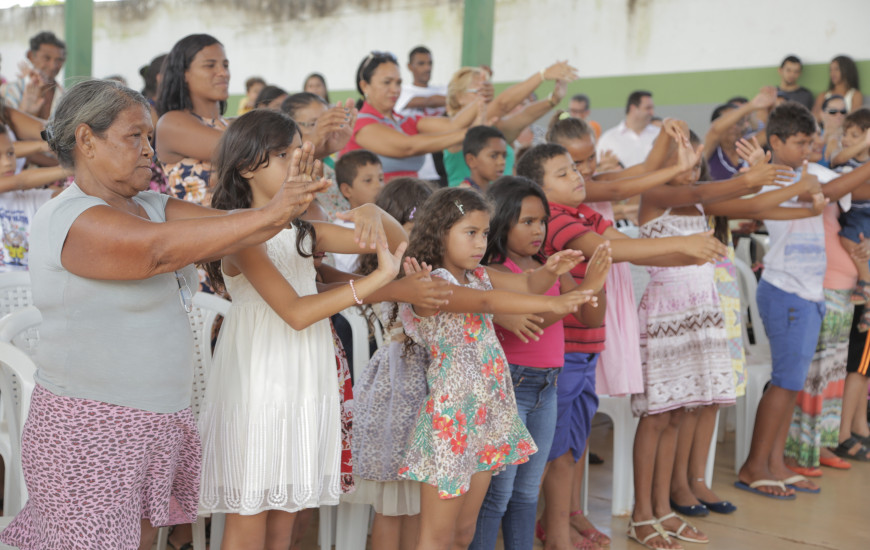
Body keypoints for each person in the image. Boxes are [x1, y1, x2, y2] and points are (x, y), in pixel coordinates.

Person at [0, 78, 330, 550]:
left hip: (157, 424)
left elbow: (237, 232)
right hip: (92, 434)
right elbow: (154, 254)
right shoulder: (69, 217)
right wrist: (274, 211)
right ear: (86, 140)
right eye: (135, 136)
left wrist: (347, 220)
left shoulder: (152, 206)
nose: (148, 149)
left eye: (150, 137)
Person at [196, 108, 412, 548]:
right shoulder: (240, 233)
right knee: (250, 512)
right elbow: (294, 311)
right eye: (282, 154)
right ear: (245, 165)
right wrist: (372, 284)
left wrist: (371, 208)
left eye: (300, 151)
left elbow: (393, 241)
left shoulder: (303, 230)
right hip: (259, 379)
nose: (297, 162)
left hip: (304, 375)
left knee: (286, 518)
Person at [514, 143, 727, 550]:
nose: (577, 176)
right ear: (537, 189)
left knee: (571, 446)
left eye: (576, 169)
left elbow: (615, 243)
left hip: (587, 346)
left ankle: (558, 525)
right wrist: (686, 247)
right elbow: (614, 251)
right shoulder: (554, 221)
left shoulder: (583, 214)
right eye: (563, 173)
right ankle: (548, 533)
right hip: (561, 351)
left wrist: (689, 254)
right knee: (549, 453)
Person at [397, 187, 597, 549]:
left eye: (485, 233)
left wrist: (551, 272)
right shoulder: (429, 285)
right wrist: (565, 299)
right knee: (437, 536)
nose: (480, 243)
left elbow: (527, 284)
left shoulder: (478, 277)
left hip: (487, 415)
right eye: (470, 233)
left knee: (463, 533)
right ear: (441, 231)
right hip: (452, 424)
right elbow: (488, 302)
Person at [736, 102, 870, 499]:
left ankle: (777, 463)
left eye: (812, 142)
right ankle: (753, 466)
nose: (808, 149)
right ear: (775, 141)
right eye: (799, 142)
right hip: (785, 291)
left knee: (792, 385)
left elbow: (852, 187)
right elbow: (828, 191)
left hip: (810, 293)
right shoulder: (768, 177)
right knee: (784, 383)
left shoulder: (809, 170)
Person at [470, 176, 611, 550]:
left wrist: (594, 285)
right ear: (501, 222)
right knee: (498, 493)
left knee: (528, 492)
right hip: (510, 386)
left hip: (547, 385)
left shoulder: (547, 264)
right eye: (527, 221)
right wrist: (578, 292)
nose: (538, 230)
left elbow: (589, 319)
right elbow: (530, 324)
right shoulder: (495, 271)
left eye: (542, 221)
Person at [343, 177, 438, 550]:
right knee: (400, 507)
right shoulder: (404, 277)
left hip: (405, 391)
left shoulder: (395, 275)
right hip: (405, 394)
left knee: (409, 507)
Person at [341, 51, 480, 182]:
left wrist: (481, 98)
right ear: (365, 86)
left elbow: (453, 125)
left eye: (398, 83)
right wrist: (468, 134)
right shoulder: (360, 122)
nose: (395, 89)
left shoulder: (404, 120)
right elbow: (408, 147)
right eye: (387, 82)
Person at [443, 63, 576, 186]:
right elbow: (502, 104)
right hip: (463, 206)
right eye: (479, 91)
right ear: (459, 97)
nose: (486, 96)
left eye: (487, 90)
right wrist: (542, 75)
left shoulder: (494, 129)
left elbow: (525, 115)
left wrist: (553, 99)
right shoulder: (454, 133)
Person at [0, 124, 68, 271]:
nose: (7, 162)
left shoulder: (29, 199)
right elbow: (20, 181)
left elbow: (69, 197)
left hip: (24, 291)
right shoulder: (20, 184)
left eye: (11, 153)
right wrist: (71, 168)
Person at [830, 109, 870, 327]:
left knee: (849, 239)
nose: (846, 140)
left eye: (854, 135)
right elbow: (838, 158)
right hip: (852, 213)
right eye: (845, 134)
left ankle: (866, 283)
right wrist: (863, 142)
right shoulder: (843, 159)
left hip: (864, 214)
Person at [395, 46, 448, 183]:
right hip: (419, 166)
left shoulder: (443, 89)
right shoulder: (403, 92)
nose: (427, 68)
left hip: (445, 161)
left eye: (430, 63)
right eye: (421, 63)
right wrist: (454, 99)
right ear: (409, 66)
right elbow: (429, 101)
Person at [704, 87, 777, 180]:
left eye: (739, 122)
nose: (734, 127)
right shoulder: (708, 150)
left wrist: (771, 107)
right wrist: (750, 106)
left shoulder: (746, 145)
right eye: (729, 123)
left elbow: (772, 130)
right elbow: (715, 130)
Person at [333, 149, 385, 272]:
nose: (379, 186)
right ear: (347, 190)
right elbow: (355, 268)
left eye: (381, 179)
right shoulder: (341, 227)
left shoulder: (388, 218)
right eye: (368, 180)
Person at [1, 31, 66, 119]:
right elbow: (5, 129)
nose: (53, 66)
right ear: (31, 56)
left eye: (59, 60)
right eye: (47, 58)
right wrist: (25, 110)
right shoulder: (8, 91)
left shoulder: (66, 96)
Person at [596, 90, 660, 168]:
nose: (652, 113)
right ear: (633, 108)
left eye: (652, 108)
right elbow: (599, 169)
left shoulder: (659, 134)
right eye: (647, 108)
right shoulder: (608, 138)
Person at [461, 125, 507, 192]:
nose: (502, 162)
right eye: (494, 156)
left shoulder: (497, 192)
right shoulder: (461, 196)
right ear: (471, 160)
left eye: (504, 156)